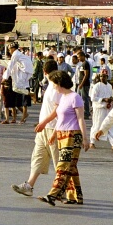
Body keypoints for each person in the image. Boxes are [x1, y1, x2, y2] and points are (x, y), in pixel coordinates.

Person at [12, 60, 75, 199]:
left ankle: (65, 191)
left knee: (59, 162)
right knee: (38, 156)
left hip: (55, 129)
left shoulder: (57, 87)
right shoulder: (50, 86)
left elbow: (58, 110)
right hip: (44, 129)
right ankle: (29, 185)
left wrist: (46, 124)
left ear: (44, 72)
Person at [35, 70, 88, 205]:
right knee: (71, 167)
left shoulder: (75, 97)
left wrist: (85, 138)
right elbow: (60, 119)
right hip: (62, 135)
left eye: (54, 84)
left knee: (63, 166)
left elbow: (80, 119)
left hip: (72, 135)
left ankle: (53, 195)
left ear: (59, 83)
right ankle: (75, 196)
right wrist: (54, 133)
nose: (53, 87)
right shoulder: (63, 97)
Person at [89, 70, 113, 148]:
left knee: (110, 125)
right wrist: (103, 99)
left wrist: (111, 99)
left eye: (104, 76)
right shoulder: (97, 86)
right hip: (99, 109)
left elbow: (110, 96)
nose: (102, 78)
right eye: (101, 76)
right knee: (97, 125)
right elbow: (93, 98)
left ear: (107, 77)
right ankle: (92, 142)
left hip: (108, 108)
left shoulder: (109, 86)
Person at [74, 51, 92, 120]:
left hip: (84, 84)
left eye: (79, 57)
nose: (78, 59)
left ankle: (86, 113)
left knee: (85, 99)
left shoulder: (85, 64)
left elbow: (86, 75)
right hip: (81, 83)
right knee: (80, 98)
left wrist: (82, 84)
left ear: (82, 56)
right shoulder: (82, 64)